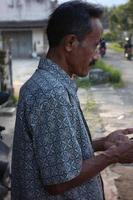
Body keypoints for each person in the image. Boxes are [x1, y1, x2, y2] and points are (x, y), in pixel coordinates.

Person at [11, 1, 133, 200]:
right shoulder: (51, 94)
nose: (96, 56)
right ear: (70, 43)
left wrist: (103, 143)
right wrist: (115, 155)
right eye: (95, 45)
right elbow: (59, 182)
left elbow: (55, 153)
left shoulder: (49, 85)